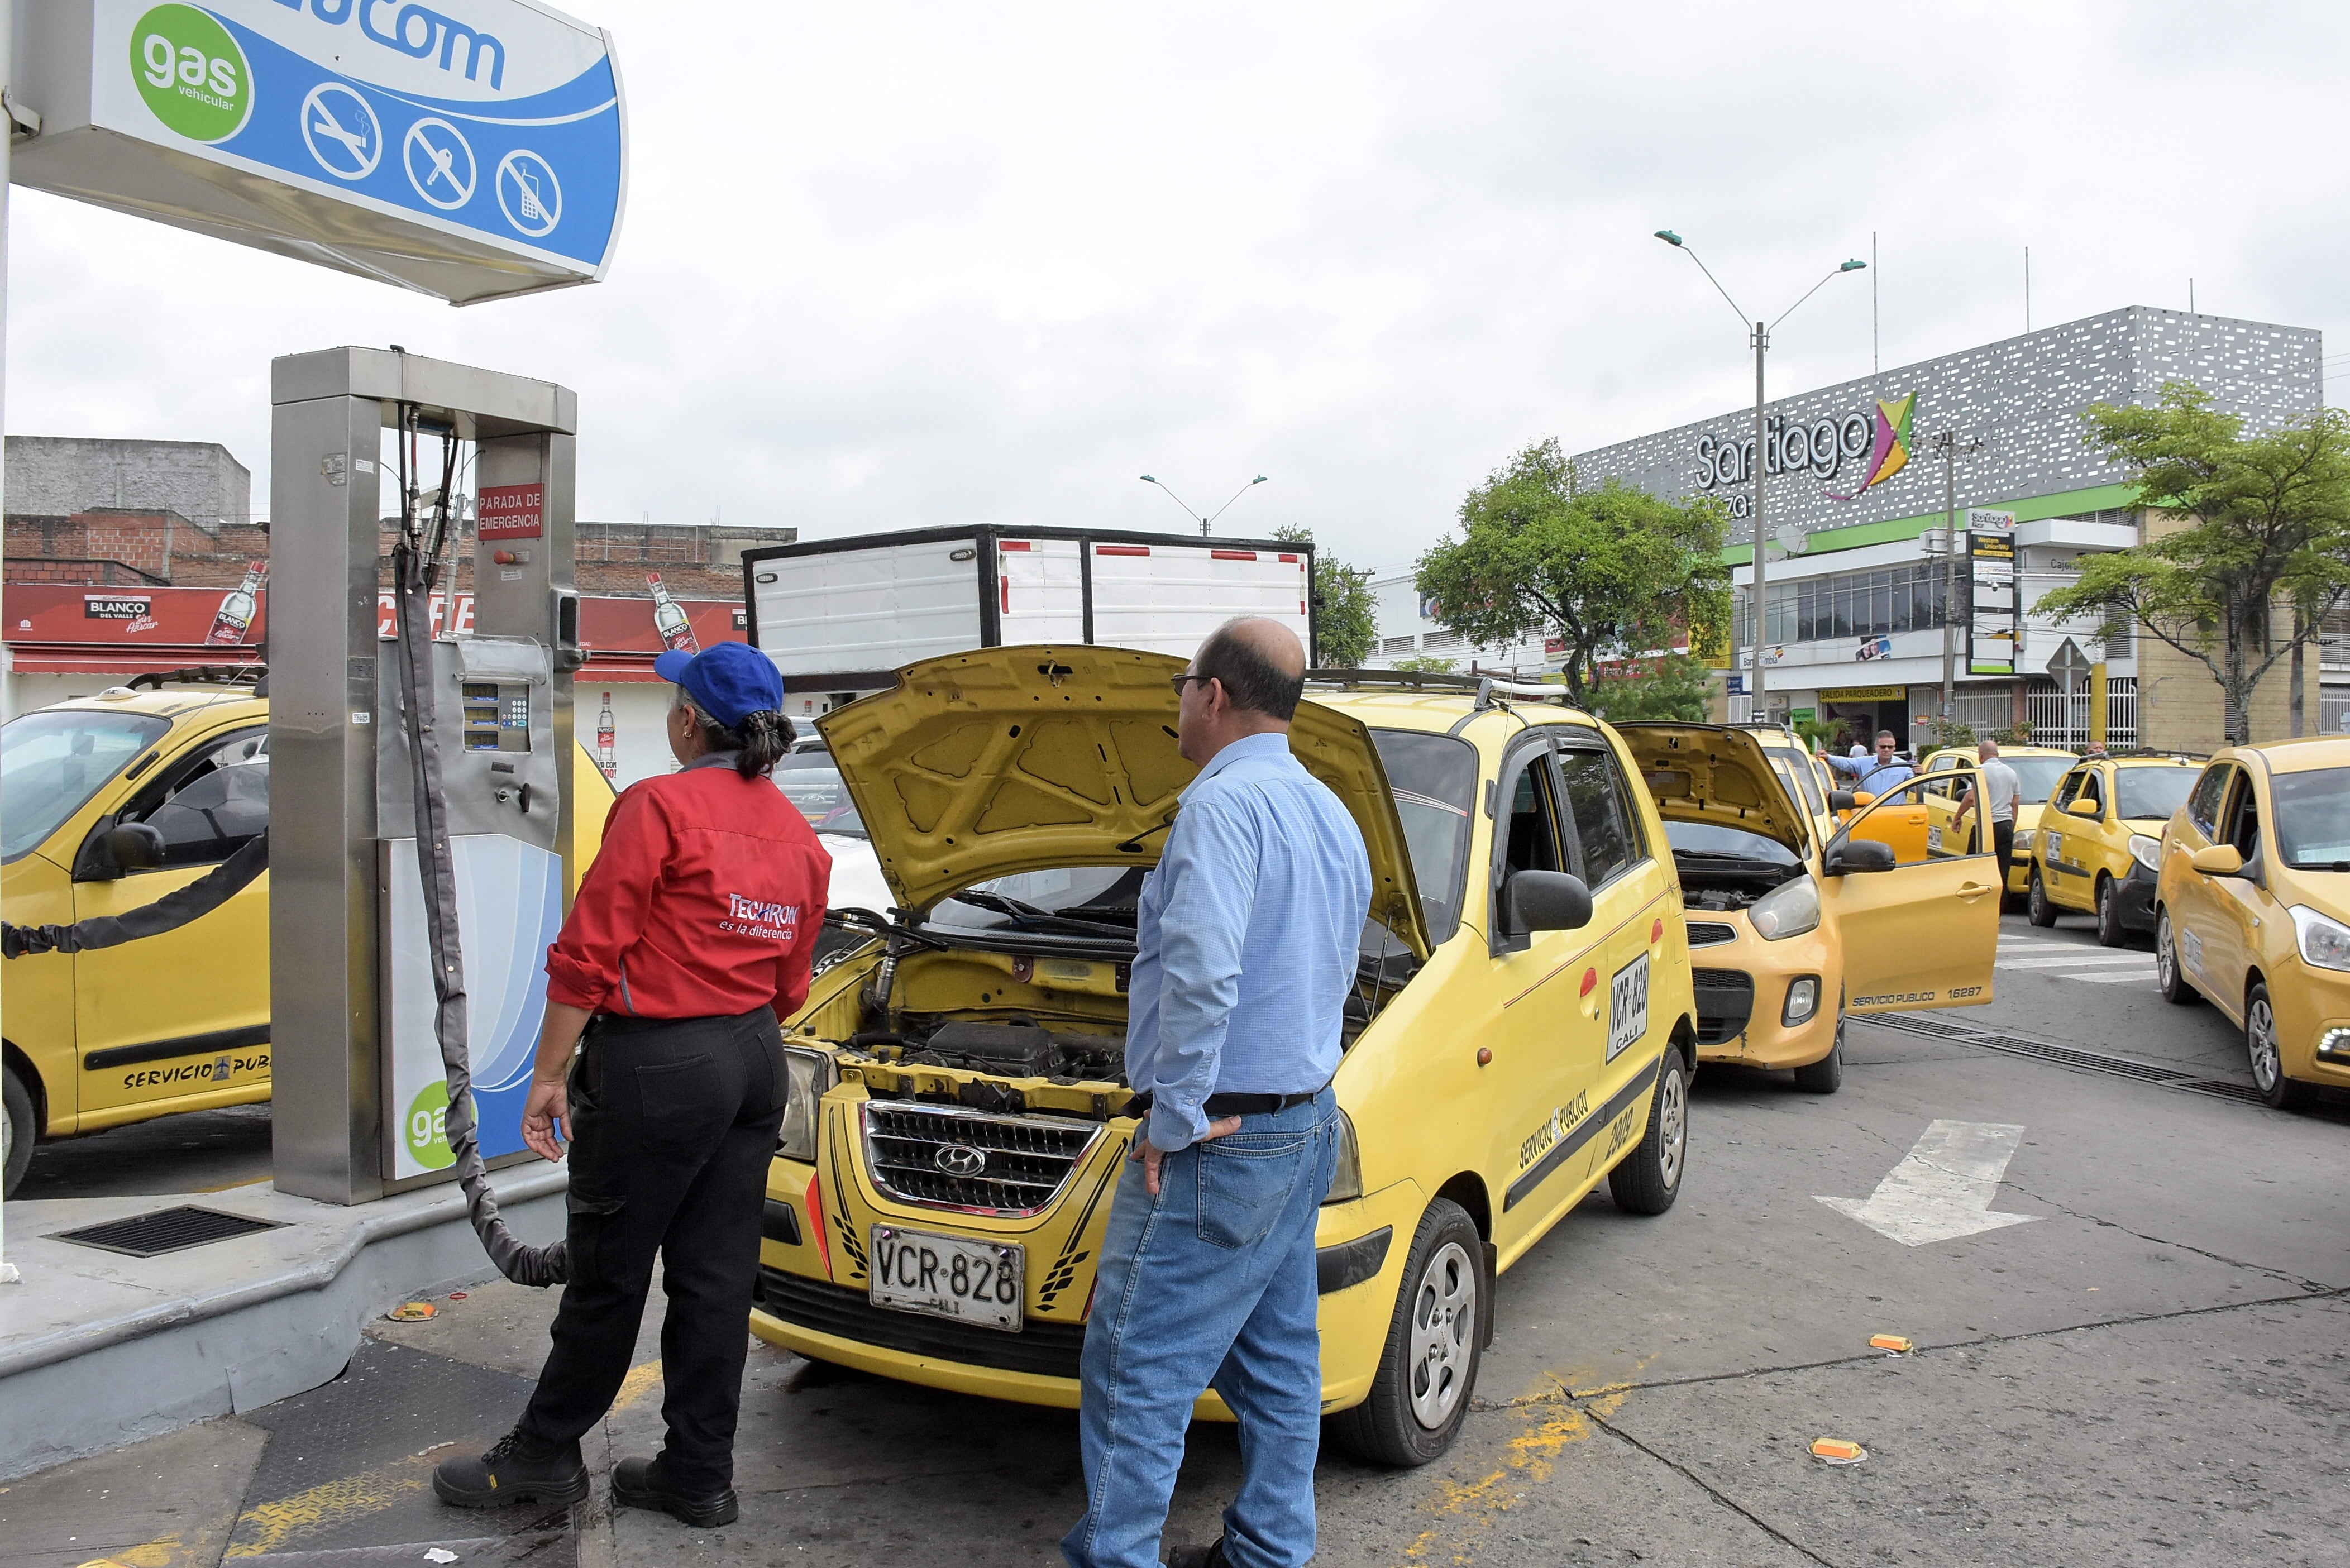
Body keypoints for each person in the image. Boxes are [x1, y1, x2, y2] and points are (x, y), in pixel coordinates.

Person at [433, 642, 830, 1529]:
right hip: (754, 1060)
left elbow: (588, 954)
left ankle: (542, 1456)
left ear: (689, 719)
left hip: (661, 1065)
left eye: (672, 702)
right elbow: (791, 986)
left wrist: (546, 1077)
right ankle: (698, 1475)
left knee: (610, 1272)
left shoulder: (656, 806)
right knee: (717, 1278)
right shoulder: (799, 839)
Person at [1062, 618, 1370, 1568]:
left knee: (1134, 1367)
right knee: (1278, 1359)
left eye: (1182, 687)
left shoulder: (1218, 809)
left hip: (1220, 1136)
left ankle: (1113, 1556)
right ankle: (1271, 1546)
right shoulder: (1329, 811)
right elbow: (1333, 963)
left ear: (1214, 694)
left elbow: (1202, 972)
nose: (1179, 704)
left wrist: (1176, 1113)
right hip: (1299, 1123)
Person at [1954, 738, 2022, 887]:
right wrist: (2011, 825)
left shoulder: (1979, 772)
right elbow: (2015, 804)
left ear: (1981, 755)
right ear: (1997, 754)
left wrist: (1958, 817)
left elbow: (1971, 798)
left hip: (1985, 827)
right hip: (2006, 825)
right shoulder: (2011, 773)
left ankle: (1976, 903)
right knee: (2002, 871)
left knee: (1974, 867)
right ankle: (1999, 908)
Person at [1826, 730, 1916, 796]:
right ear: (1876, 747)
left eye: (1890, 747)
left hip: (1896, 815)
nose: (1887, 750)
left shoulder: (1904, 766)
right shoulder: (1865, 763)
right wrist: (1828, 757)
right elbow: (1846, 763)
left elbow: (1914, 789)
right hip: (1869, 814)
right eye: (1883, 747)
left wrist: (1919, 776)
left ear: (1894, 749)